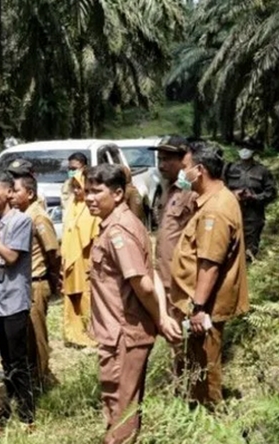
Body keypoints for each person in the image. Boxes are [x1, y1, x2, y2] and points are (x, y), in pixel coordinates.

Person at [84, 164, 181, 444]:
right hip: (120, 333)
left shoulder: (118, 231)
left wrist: (160, 319)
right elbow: (150, 274)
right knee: (124, 406)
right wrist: (162, 315)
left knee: (121, 412)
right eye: (87, 191)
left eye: (96, 191)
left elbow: (144, 284)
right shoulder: (123, 222)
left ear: (117, 194)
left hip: (122, 336)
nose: (89, 198)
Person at [171, 143, 249, 407]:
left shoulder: (214, 210)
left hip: (207, 305)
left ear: (200, 170)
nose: (182, 173)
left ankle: (210, 411)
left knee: (205, 362)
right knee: (199, 360)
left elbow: (210, 263)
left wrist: (198, 307)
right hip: (205, 301)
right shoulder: (216, 199)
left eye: (185, 167)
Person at [0, 172, 35, 425]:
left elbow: (12, 257)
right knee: (4, 357)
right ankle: (11, 403)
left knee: (18, 358)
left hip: (14, 299)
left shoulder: (21, 221)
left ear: (8, 192)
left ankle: (27, 414)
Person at [13, 174, 60, 388]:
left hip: (36, 282)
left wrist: (54, 278)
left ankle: (42, 379)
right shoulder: (22, 215)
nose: (12, 195)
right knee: (26, 336)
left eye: (16, 191)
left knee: (37, 335)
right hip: (23, 283)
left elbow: (53, 251)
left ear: (30, 193)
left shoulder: (38, 217)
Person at [148, 137, 197, 328]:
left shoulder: (192, 191)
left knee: (185, 330)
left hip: (183, 279)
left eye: (167, 159)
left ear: (184, 160)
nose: (161, 165)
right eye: (159, 159)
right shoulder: (169, 189)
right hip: (165, 275)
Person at [61, 171, 99, 348]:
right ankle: (74, 333)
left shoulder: (92, 209)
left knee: (86, 296)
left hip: (85, 260)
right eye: (74, 187)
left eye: (80, 187)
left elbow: (94, 236)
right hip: (71, 260)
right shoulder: (73, 207)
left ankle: (91, 335)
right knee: (72, 296)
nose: (76, 191)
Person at [223, 141, 278, 261]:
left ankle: (248, 267)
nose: (244, 150)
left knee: (250, 248)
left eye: (247, 147)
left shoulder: (262, 170)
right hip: (232, 212)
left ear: (253, 151)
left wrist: (254, 197)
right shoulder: (230, 168)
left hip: (253, 214)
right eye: (241, 147)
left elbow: (271, 193)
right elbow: (221, 188)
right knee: (229, 245)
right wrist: (233, 194)